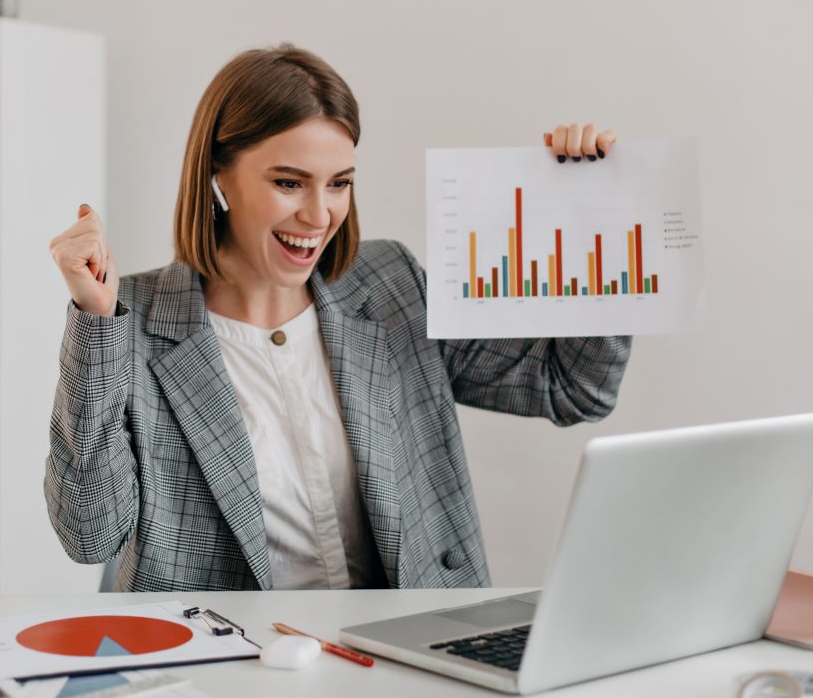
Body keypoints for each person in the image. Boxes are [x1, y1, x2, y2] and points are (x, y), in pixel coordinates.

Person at [46, 44, 631, 592]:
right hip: (233, 679)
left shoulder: (391, 284)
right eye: (288, 183)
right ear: (218, 177)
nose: (319, 214)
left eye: (339, 184)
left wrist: (589, 221)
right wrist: (94, 321)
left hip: (406, 661)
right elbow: (89, 533)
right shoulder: (132, 321)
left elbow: (574, 389)